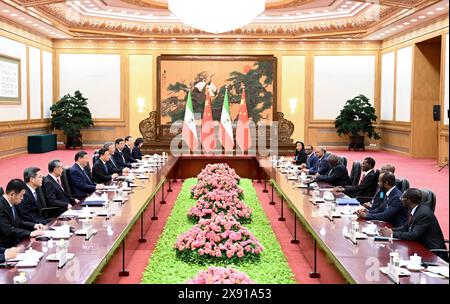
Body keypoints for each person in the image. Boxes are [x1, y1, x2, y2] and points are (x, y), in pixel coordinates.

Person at [379, 188, 447, 260]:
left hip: (433, 254)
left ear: (408, 201)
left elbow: (413, 235)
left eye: (402, 198)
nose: (400, 199)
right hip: (420, 248)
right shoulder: (413, 209)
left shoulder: (423, 214)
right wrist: (390, 230)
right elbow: (405, 227)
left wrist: (391, 233)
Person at [0, 179, 45, 248]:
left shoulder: (11, 203)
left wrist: (34, 225)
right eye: (21, 195)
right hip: (6, 247)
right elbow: (8, 230)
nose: (22, 198)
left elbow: (18, 221)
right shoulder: (1, 206)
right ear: (12, 194)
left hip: (16, 242)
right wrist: (30, 233)